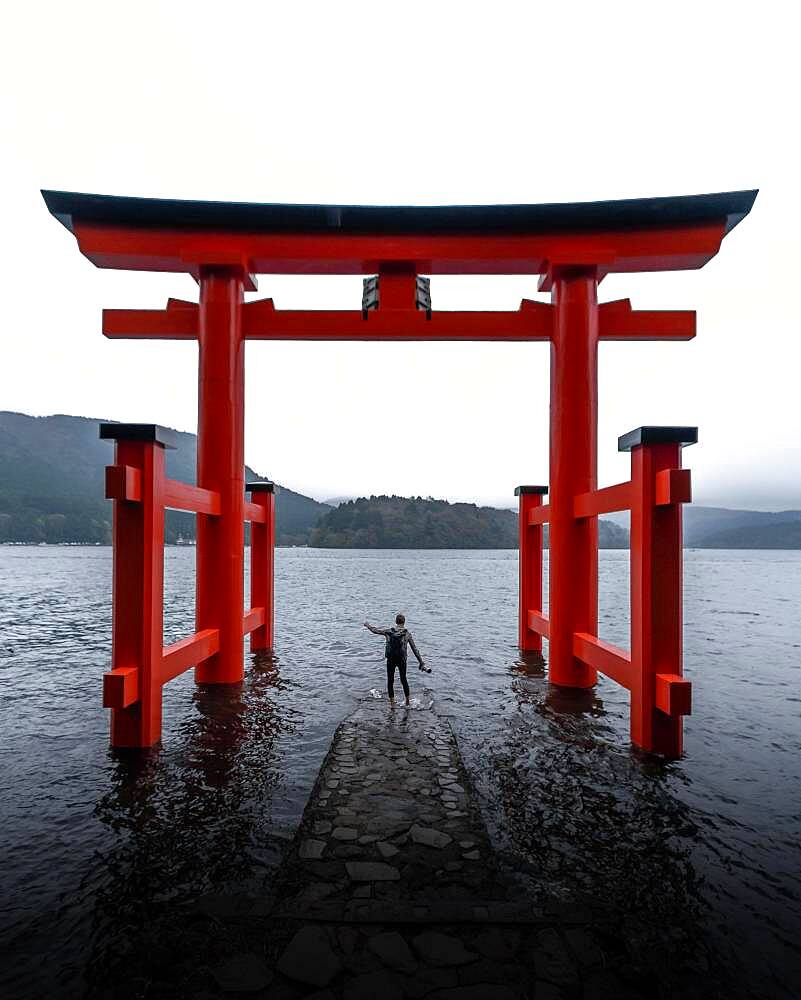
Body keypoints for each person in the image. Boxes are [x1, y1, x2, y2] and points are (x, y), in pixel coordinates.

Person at [363, 613, 430, 707]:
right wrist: (421, 662)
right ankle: (407, 702)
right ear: (404, 622)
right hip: (402, 659)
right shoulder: (407, 634)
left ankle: (392, 704)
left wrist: (367, 625)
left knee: (390, 681)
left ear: (396, 621)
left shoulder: (389, 632)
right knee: (404, 680)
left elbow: (375, 631)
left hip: (391, 659)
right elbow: (415, 650)